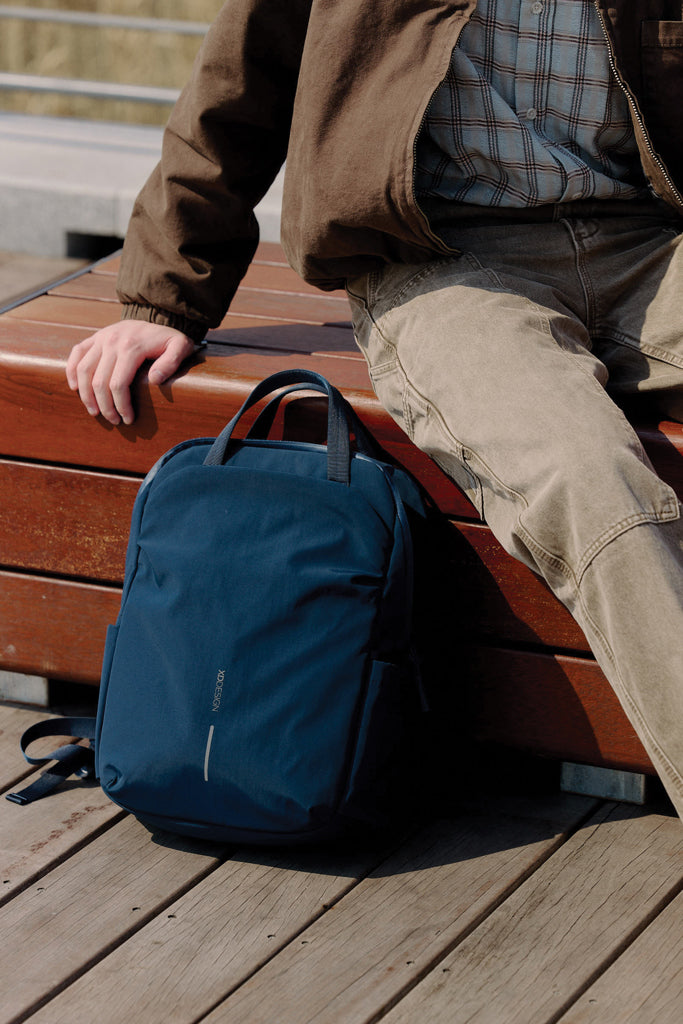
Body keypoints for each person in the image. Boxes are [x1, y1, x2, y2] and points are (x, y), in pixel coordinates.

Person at [65, 0, 683, 818]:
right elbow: (238, 83)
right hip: (444, 257)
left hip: (651, 239)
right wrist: (164, 296)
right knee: (588, 479)